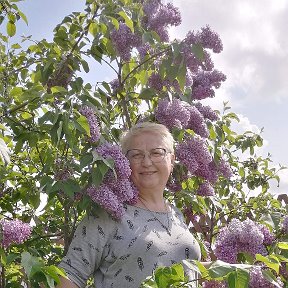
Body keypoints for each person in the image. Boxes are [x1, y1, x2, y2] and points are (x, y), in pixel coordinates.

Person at [57, 122, 201, 288]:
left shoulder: (176, 214)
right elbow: (71, 274)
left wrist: (224, 268)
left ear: (172, 159)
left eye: (157, 153)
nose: (147, 162)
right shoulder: (110, 213)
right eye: (136, 155)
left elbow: (183, 265)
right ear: (124, 163)